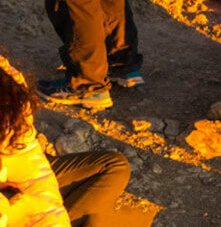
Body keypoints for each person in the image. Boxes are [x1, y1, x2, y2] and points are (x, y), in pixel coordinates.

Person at [2, 51, 143, 227]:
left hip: (12, 175)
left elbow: (27, 157)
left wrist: (50, 218)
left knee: (114, 166)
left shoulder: (8, 81)